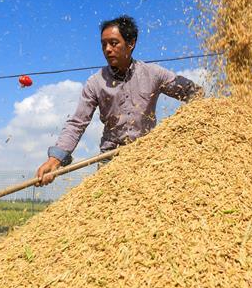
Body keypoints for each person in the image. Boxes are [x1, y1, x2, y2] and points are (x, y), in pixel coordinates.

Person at [36, 15, 203, 184]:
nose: (107, 49)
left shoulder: (153, 74)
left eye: (113, 43)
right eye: (103, 44)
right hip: (111, 159)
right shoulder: (95, 83)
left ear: (131, 44)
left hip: (147, 157)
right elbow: (77, 123)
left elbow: (193, 93)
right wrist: (55, 160)